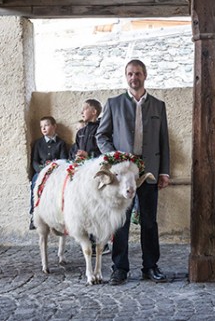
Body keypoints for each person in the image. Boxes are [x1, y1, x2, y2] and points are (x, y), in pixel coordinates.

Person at [96, 59, 170, 285]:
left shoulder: (158, 105)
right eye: (129, 73)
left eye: (137, 73)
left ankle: (150, 266)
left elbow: (163, 141)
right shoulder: (114, 103)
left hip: (148, 172)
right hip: (122, 175)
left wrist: (164, 172)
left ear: (145, 75)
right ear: (125, 76)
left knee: (149, 221)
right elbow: (101, 135)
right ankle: (120, 268)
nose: (133, 77)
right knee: (120, 222)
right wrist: (114, 158)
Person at [69, 99, 109, 256]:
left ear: (94, 112)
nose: (81, 112)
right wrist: (77, 157)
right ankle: (89, 241)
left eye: (84, 109)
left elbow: (105, 154)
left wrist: (90, 155)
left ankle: (101, 242)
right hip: (83, 177)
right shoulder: (80, 132)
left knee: (98, 209)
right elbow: (74, 150)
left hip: (97, 176)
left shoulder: (102, 130)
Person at [29, 116, 69, 230]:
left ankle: (59, 216)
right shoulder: (38, 143)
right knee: (34, 183)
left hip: (56, 173)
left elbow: (63, 161)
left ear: (54, 126)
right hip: (41, 172)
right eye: (41, 126)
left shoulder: (61, 143)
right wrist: (41, 171)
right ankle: (33, 214)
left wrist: (53, 170)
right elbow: (35, 161)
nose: (43, 128)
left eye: (46, 125)